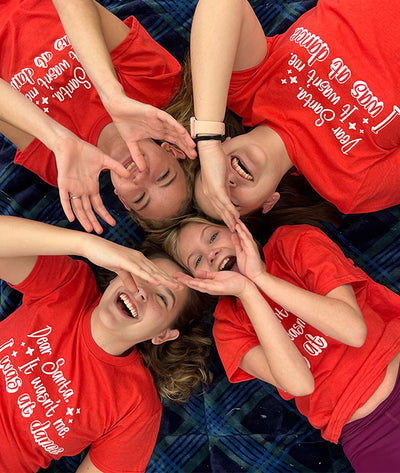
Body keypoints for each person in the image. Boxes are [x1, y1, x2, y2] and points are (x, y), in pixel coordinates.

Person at [159, 214, 400, 472]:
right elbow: (300, 383)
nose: (211, 253)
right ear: (199, 282)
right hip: (365, 432)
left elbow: (353, 331)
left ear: (236, 229)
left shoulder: (292, 243)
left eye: (213, 236)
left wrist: (262, 278)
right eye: (196, 260)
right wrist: (248, 292)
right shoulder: (228, 327)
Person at [0, 215, 211, 472]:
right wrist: (85, 245)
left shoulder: (137, 407)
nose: (142, 291)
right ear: (116, 274)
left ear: (163, 335)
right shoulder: (68, 285)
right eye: (139, 275)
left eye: (162, 298)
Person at [189, 0, 400, 230]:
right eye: (231, 203)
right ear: (269, 202)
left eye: (213, 175)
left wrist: (208, 142)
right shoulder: (350, 187)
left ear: (223, 143)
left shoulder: (247, 90)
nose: (228, 182)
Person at [0, 0, 197, 234]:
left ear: (122, 199)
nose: (141, 177)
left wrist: (59, 140)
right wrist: (113, 95)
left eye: (141, 198)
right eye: (163, 176)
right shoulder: (157, 85)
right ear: (172, 151)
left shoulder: (64, 165)